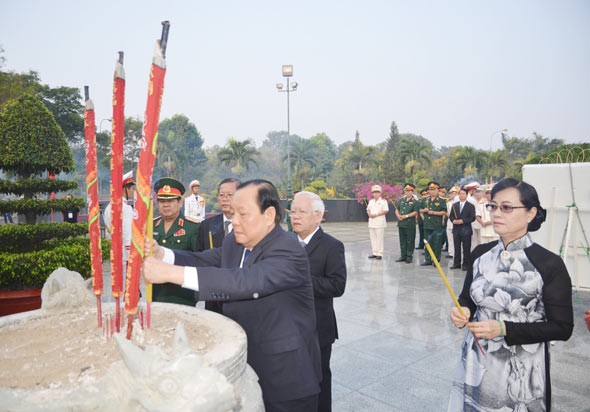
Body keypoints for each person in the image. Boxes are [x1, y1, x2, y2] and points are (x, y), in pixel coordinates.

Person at [143, 179, 321, 411]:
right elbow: (206, 259)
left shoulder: (288, 249)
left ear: (268, 215)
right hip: (246, 364)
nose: (234, 220)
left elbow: (245, 281)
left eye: (243, 214)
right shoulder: (235, 243)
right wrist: (163, 254)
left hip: (285, 375)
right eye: (233, 213)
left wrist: (170, 273)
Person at [448, 178, 574, 411]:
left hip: (521, 370)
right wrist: (463, 310)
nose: (496, 213)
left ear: (530, 213)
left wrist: (504, 329)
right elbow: (468, 298)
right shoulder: (480, 254)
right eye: (493, 206)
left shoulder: (549, 264)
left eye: (506, 207)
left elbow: (562, 327)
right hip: (477, 360)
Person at [290, 191, 347, 412]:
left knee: (319, 378)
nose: (295, 217)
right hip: (286, 324)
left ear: (318, 216)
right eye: (293, 211)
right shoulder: (283, 242)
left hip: (317, 327)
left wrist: (301, 281)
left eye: (301, 212)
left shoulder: (332, 246)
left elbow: (337, 286)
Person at [152, 177, 200, 306]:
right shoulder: (151, 226)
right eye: (161, 201)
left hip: (182, 294)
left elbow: (199, 260)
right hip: (156, 293)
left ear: (180, 202)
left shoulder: (192, 227)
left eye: (171, 200)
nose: (165, 205)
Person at [196, 177, 240, 313]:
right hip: (213, 296)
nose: (225, 199)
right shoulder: (207, 225)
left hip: (240, 295)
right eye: (222, 195)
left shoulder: (250, 225)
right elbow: (199, 257)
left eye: (230, 195)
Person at [104, 171, 135, 274]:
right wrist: (131, 253)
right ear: (124, 189)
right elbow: (127, 233)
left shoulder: (109, 206)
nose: (133, 191)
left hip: (115, 251)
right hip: (125, 255)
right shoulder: (126, 208)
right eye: (132, 188)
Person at [419, 181, 446, 266]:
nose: (432, 191)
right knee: (427, 243)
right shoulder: (424, 200)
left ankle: (436, 260)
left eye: (434, 189)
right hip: (427, 225)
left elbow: (444, 212)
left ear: (437, 190)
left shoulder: (441, 200)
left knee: (437, 243)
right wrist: (424, 210)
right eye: (430, 190)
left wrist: (434, 212)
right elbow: (418, 210)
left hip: (437, 225)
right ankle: (427, 259)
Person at [449, 187, 476, 270]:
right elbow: (451, 216)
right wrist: (453, 220)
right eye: (460, 194)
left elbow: (472, 218)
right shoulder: (455, 205)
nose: (461, 195)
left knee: (466, 248)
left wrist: (463, 221)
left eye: (463, 194)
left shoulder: (470, 206)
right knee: (456, 247)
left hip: (466, 229)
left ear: (467, 195)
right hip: (456, 229)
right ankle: (456, 263)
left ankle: (466, 264)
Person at [395, 183, 420, 263]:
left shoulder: (415, 202)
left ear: (412, 191)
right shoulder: (401, 200)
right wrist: (398, 215)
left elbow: (416, 212)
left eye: (409, 190)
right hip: (401, 223)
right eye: (406, 190)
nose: (408, 192)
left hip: (410, 224)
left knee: (410, 240)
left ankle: (409, 256)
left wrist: (405, 216)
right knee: (402, 240)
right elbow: (397, 209)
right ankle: (403, 255)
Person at [366, 184, 389, 260]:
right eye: (374, 192)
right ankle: (374, 253)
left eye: (377, 192)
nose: (376, 194)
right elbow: (368, 209)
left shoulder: (383, 201)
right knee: (373, 238)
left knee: (379, 238)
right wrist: (369, 214)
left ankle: (379, 253)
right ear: (372, 193)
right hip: (371, 222)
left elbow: (385, 210)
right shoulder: (371, 201)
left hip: (379, 222)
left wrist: (376, 214)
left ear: (380, 193)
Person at [445, 186, 459, 259]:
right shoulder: (448, 202)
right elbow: (447, 212)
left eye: (455, 193)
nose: (453, 195)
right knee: (450, 238)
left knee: (456, 239)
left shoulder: (459, 203)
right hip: (449, 222)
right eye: (451, 194)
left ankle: (456, 253)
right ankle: (451, 252)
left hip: (456, 222)